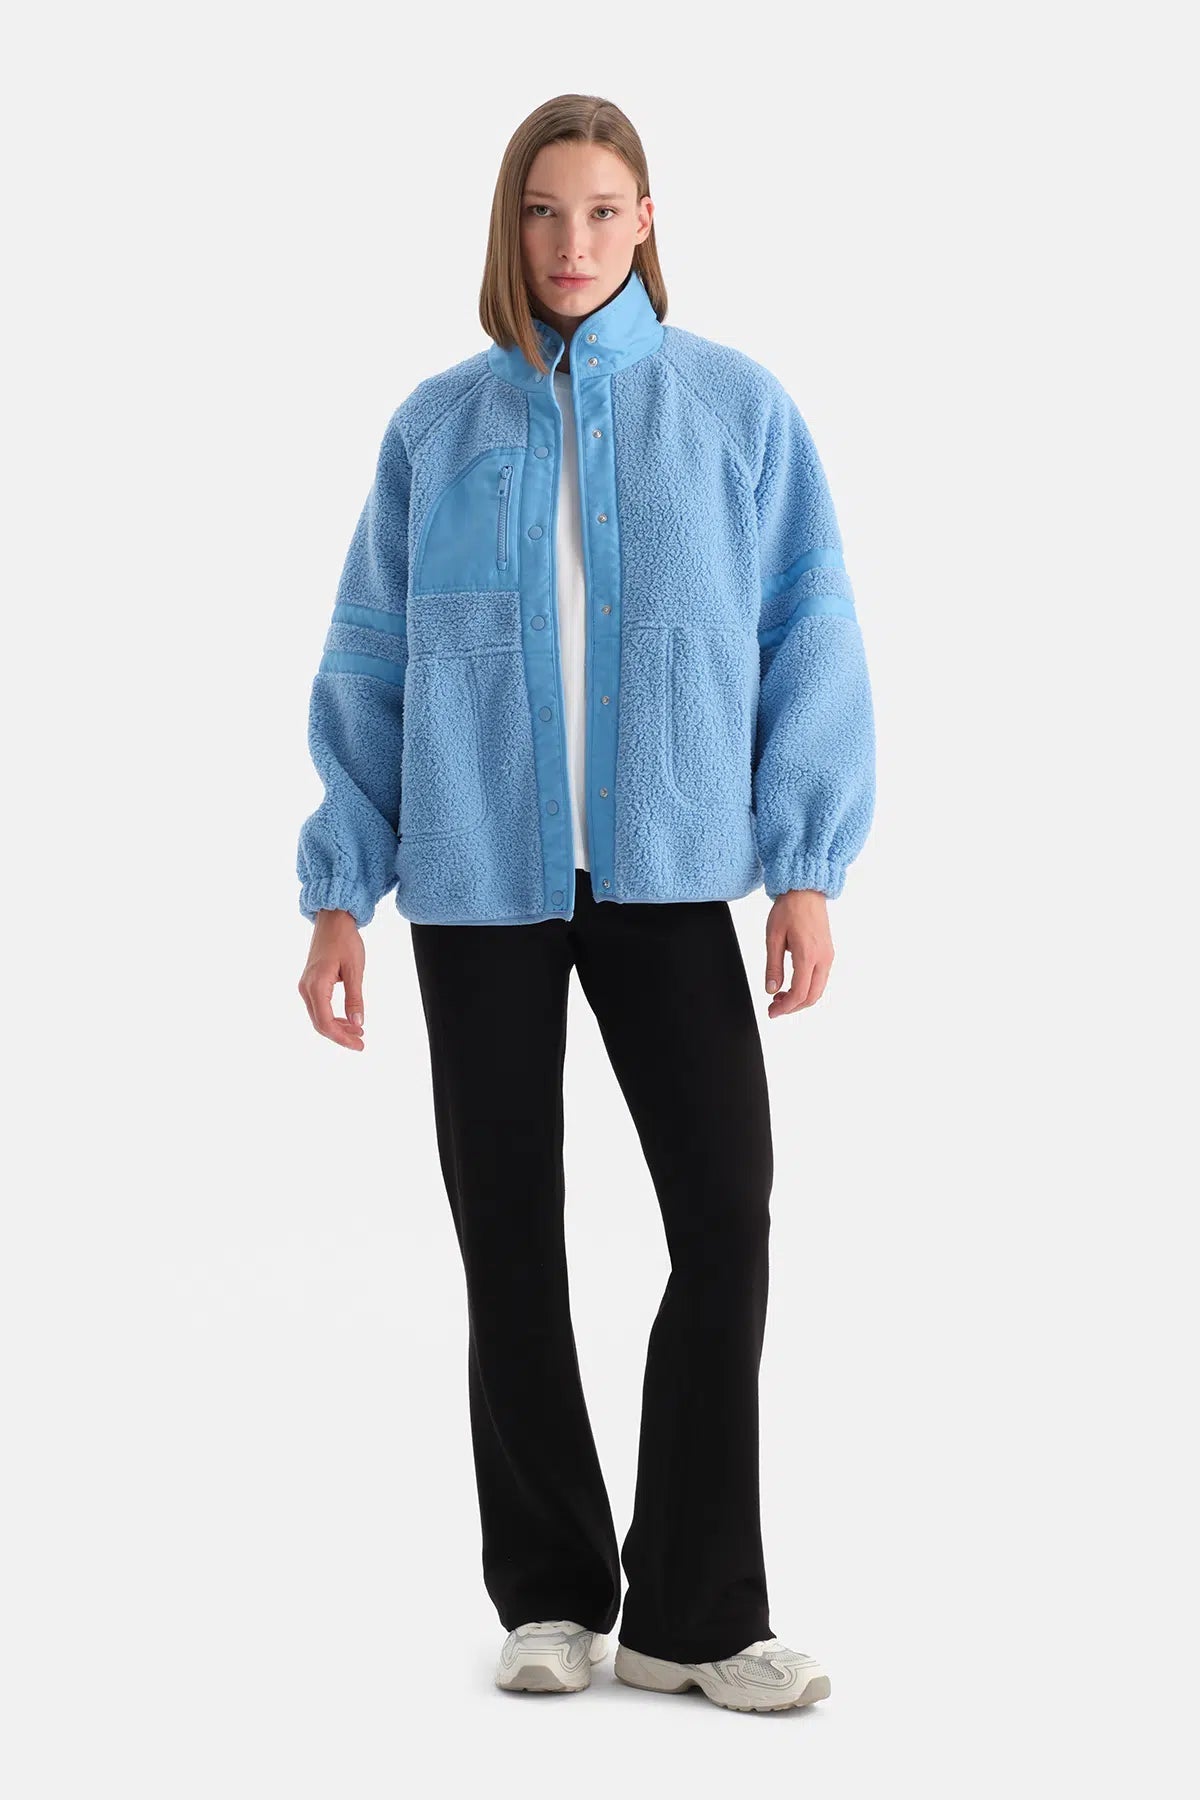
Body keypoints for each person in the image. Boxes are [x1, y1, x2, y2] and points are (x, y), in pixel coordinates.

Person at [296, 93, 875, 1715]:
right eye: (545, 212)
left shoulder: (736, 411)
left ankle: (696, 1614)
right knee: (509, 1235)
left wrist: (806, 867)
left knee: (726, 1217)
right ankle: (551, 1596)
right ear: (513, 224)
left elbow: (809, 634)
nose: (572, 243)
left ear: (647, 220)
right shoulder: (437, 429)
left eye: (603, 210)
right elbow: (368, 658)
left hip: (671, 873)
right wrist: (339, 891)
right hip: (476, 878)